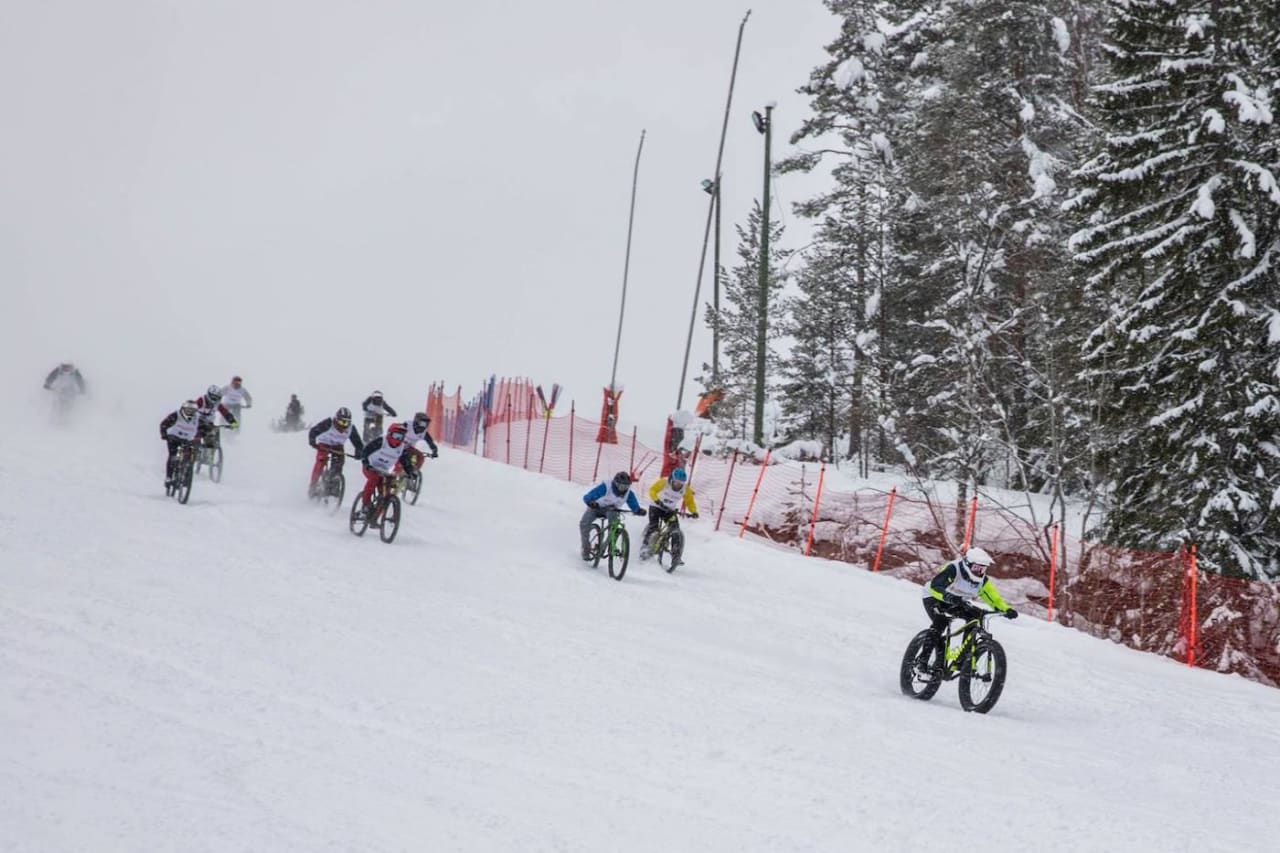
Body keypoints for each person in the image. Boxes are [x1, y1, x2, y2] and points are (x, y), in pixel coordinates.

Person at [922, 547, 1018, 638]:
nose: (979, 572)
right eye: (976, 568)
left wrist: (1006, 609)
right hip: (934, 598)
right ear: (968, 564)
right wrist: (948, 597)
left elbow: (994, 598)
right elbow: (935, 586)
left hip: (957, 602)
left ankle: (966, 652)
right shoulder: (953, 569)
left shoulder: (982, 581)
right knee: (940, 622)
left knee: (974, 616)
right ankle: (923, 655)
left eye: (982, 569)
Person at [579, 471, 646, 561]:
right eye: (621, 486)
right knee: (584, 524)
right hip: (596, 507)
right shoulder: (606, 487)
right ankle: (586, 548)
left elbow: (633, 503)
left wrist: (638, 510)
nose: (623, 489)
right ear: (616, 483)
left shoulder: (628, 493)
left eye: (626, 486)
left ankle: (608, 545)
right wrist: (590, 502)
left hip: (612, 510)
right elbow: (589, 496)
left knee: (615, 525)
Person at [640, 467, 699, 565]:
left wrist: (694, 512)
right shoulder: (663, 483)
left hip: (670, 510)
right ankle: (645, 548)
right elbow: (652, 490)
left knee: (675, 530)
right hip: (656, 507)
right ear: (672, 479)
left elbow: (690, 501)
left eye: (681, 483)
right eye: (676, 482)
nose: (678, 484)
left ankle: (676, 555)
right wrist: (657, 500)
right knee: (654, 527)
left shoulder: (685, 489)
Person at [357, 422, 410, 524]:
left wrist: (410, 472)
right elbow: (366, 451)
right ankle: (365, 506)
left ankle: (375, 516)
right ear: (390, 434)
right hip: (371, 466)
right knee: (374, 479)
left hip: (384, 471)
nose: (399, 439)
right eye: (396, 436)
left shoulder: (402, 448)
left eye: (401, 437)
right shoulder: (381, 442)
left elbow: (405, 461)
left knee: (386, 493)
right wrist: (365, 462)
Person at [307, 406, 364, 496]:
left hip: (337, 446)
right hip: (324, 444)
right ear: (336, 419)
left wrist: (359, 452)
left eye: (346, 423)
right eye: (341, 422)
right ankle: (313, 484)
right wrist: (312, 441)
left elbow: (358, 443)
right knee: (321, 461)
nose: (343, 425)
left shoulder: (351, 429)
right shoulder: (328, 423)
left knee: (339, 463)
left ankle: (334, 484)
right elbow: (313, 431)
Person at [158, 400, 200, 487]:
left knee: (192, 456)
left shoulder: (197, 418)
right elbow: (163, 424)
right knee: (173, 456)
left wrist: (205, 433)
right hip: (174, 438)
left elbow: (203, 427)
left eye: (193, 411)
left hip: (188, 440)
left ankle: (187, 474)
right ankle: (169, 477)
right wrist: (164, 435)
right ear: (183, 409)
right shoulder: (176, 415)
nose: (190, 413)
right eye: (188, 410)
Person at [399, 412, 440, 484]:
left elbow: (430, 442)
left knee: (420, 456)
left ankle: (414, 472)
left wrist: (434, 450)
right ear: (416, 421)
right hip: (398, 445)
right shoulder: (407, 425)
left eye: (426, 424)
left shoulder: (423, 432)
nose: (423, 426)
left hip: (409, 448)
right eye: (422, 423)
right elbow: (396, 430)